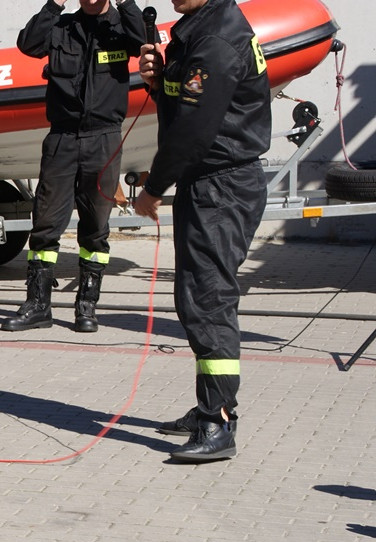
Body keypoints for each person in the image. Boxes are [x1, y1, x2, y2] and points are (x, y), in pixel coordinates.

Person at [133, 0, 271, 462]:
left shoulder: (213, 40)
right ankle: (210, 406)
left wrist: (152, 188)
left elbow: (194, 130)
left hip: (221, 185)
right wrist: (159, 79)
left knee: (208, 300)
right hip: (212, 183)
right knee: (196, 298)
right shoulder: (202, 26)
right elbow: (190, 102)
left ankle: (218, 423)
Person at [3, 0, 145, 334]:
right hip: (62, 138)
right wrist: (54, 5)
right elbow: (29, 44)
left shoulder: (121, 26)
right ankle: (38, 305)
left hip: (104, 140)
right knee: (45, 224)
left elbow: (141, 42)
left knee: (96, 227)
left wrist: (126, 4)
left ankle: (87, 308)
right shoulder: (62, 26)